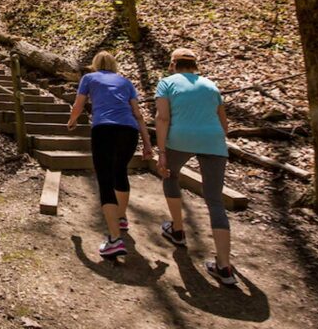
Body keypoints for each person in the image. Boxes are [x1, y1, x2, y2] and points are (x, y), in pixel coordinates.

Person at [154, 48, 236, 286]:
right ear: (195, 65)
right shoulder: (211, 86)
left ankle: (178, 230)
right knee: (215, 201)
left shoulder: (166, 83)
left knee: (170, 176)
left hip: (179, 138)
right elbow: (224, 124)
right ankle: (224, 266)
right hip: (213, 140)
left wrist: (162, 152)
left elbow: (162, 118)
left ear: (173, 64)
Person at [66, 51, 153, 258]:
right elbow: (138, 114)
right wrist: (148, 144)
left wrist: (72, 121)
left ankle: (114, 239)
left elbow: (78, 104)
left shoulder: (89, 78)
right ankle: (120, 218)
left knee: (105, 179)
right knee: (120, 171)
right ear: (114, 65)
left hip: (104, 129)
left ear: (95, 64)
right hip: (129, 131)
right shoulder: (125, 82)